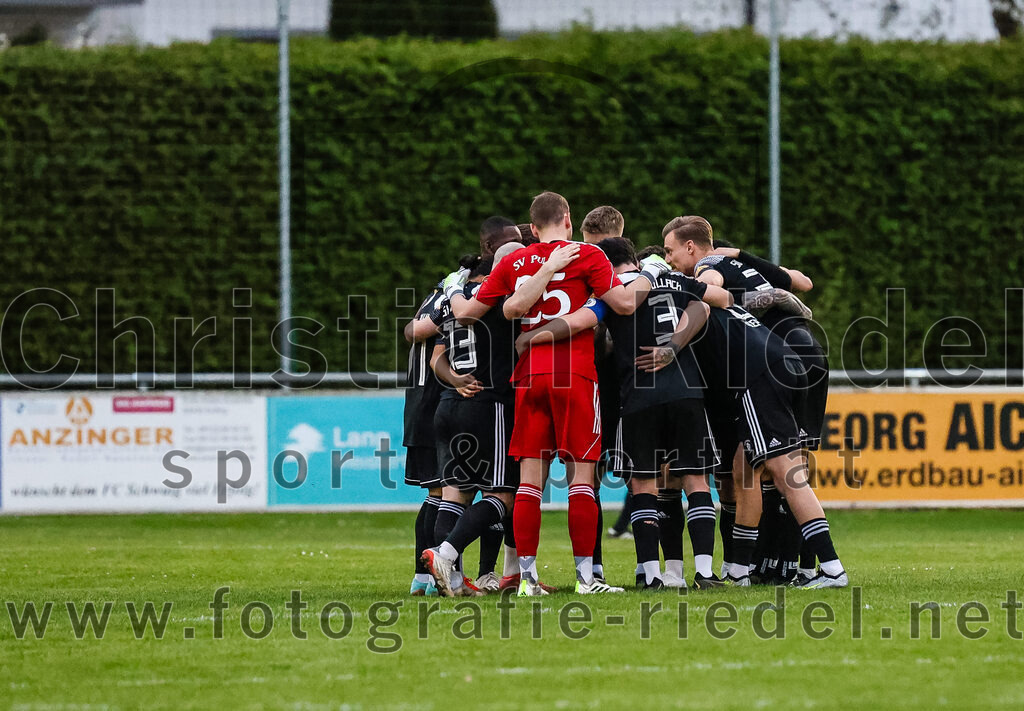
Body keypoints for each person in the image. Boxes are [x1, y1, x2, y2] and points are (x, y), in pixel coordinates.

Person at [445, 191, 672, 595]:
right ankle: (587, 578)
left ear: (532, 228)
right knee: (581, 480)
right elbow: (623, 304)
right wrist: (650, 274)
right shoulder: (588, 255)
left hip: (529, 377)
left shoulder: (515, 261)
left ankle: (527, 579)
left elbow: (467, 314)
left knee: (529, 483)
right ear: (568, 220)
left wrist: (453, 287)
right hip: (575, 374)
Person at [515, 237, 733, 590]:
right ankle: (706, 573)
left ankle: (651, 576)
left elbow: (577, 322)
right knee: (696, 481)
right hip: (686, 391)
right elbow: (712, 304)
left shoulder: (610, 292)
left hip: (638, 397)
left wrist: (532, 337)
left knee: (643, 485)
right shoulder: (673, 278)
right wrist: (673, 345)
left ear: (606, 264)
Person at [663, 216, 848, 588]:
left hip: (761, 372)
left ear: (690, 246)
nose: (668, 260)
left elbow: (711, 291)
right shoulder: (742, 267)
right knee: (744, 470)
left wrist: (674, 303)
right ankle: (740, 570)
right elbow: (800, 282)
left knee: (786, 474)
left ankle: (831, 568)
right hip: (788, 357)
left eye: (670, 251)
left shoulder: (706, 269)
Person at [421, 255, 519, 596]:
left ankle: (456, 582)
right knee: (503, 495)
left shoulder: (453, 300)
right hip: (487, 402)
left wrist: (454, 379)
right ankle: (444, 554)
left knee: (454, 495)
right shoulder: (498, 298)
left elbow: (435, 357)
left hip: (449, 403)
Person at [401, 282, 448, 596]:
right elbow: (416, 331)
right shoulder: (452, 298)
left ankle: (422, 578)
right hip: (432, 407)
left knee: (437, 495)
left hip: (421, 407)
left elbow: (411, 330)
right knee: (444, 496)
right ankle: (433, 577)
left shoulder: (436, 294)